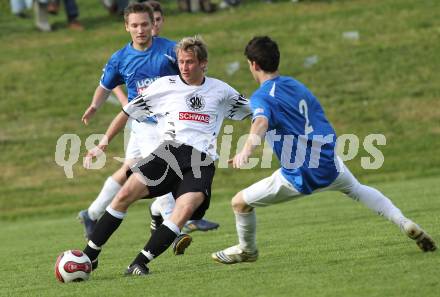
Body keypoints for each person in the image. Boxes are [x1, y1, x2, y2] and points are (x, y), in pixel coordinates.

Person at [211, 36, 437, 264]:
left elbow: (260, 122)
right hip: (328, 162)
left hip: (299, 175)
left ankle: (248, 250)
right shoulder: (296, 86)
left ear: (254, 64)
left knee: (239, 202)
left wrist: (246, 150)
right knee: (357, 189)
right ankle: (403, 222)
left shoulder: (262, 96)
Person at [81, 36, 251, 276]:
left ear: (203, 63)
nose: (184, 67)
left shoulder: (221, 90)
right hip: (168, 153)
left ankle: (139, 263)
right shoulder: (164, 85)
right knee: (124, 194)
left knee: (183, 210)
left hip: (200, 161)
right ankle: (90, 255)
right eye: (181, 61)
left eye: (190, 62)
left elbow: (256, 112)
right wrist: (103, 143)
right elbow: (127, 112)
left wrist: (251, 144)